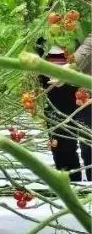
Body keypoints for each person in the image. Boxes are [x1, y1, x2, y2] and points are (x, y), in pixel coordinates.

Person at [43, 32, 92, 183]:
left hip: (84, 77)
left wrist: (70, 67)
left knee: (89, 142)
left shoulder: (82, 13)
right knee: (60, 140)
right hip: (51, 79)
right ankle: (69, 191)